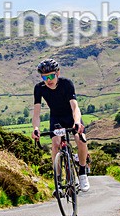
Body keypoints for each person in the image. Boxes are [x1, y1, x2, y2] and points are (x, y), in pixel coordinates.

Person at [31, 58, 90, 192]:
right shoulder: (39, 88)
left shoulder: (66, 84)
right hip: (56, 118)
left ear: (58, 73)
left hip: (71, 117)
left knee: (81, 140)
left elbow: (75, 107)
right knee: (56, 144)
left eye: (51, 76)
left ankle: (82, 173)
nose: (48, 80)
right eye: (44, 77)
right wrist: (35, 129)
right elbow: (36, 114)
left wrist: (76, 122)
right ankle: (57, 180)